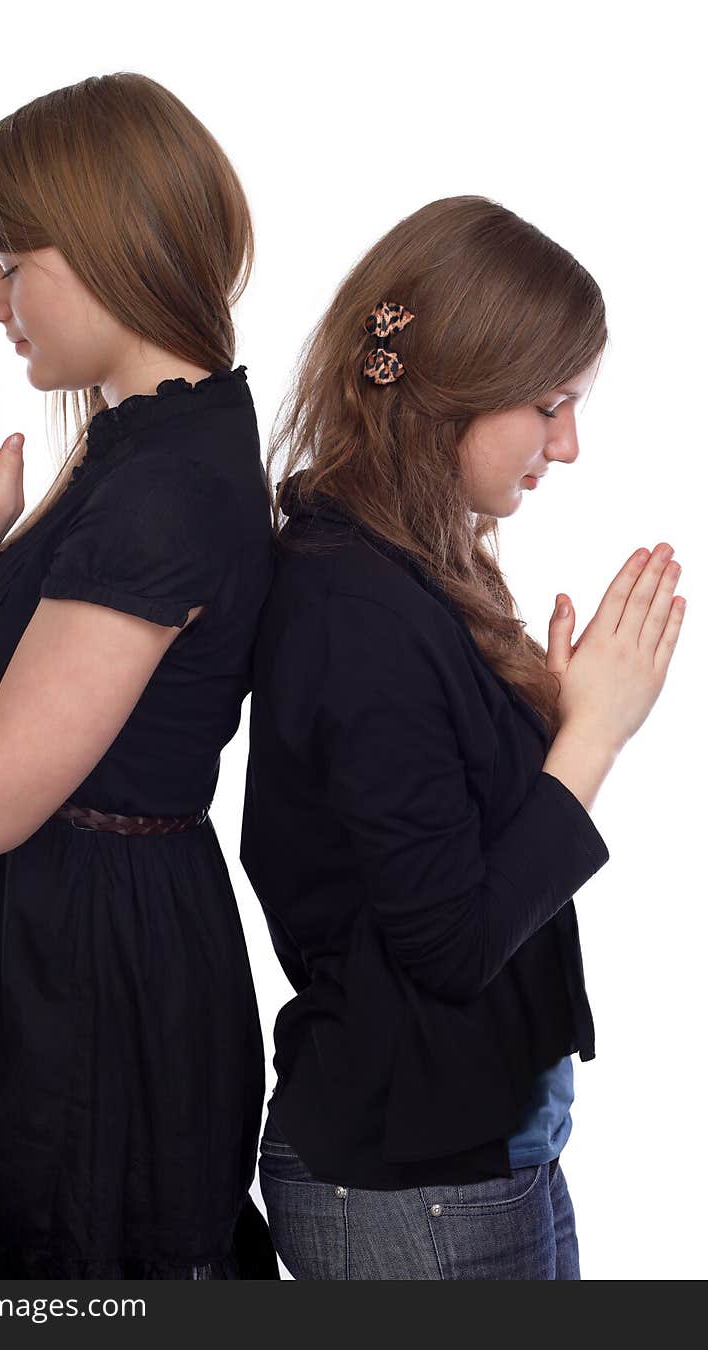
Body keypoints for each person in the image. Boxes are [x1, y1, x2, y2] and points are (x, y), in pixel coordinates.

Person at [0, 72, 279, 1280]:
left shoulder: (163, 485)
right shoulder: (138, 434)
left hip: (89, 979)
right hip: (59, 942)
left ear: (107, 247)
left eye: (8, 262)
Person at [239, 195, 685, 1280]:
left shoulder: (398, 570)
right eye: (548, 405)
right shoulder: (357, 608)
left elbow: (438, 839)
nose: (567, 445)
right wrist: (593, 739)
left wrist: (543, 712)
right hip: (416, 1188)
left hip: (466, 1163)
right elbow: (449, 945)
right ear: (448, 399)